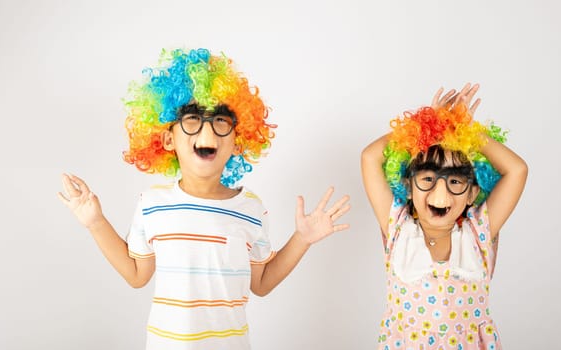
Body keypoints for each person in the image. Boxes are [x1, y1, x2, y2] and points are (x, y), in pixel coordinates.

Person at [58, 48, 350, 350]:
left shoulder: (251, 209)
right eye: (192, 119)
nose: (207, 130)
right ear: (168, 138)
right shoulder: (152, 204)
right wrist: (95, 222)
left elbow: (261, 283)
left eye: (221, 121)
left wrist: (302, 239)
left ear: (238, 140)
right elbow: (136, 275)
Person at [361, 83, 527, 349]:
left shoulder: (478, 231)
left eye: (455, 182)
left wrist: (465, 131)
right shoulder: (398, 227)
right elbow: (370, 157)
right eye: (428, 178)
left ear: (472, 192)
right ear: (408, 186)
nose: (441, 193)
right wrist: (427, 124)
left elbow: (517, 170)